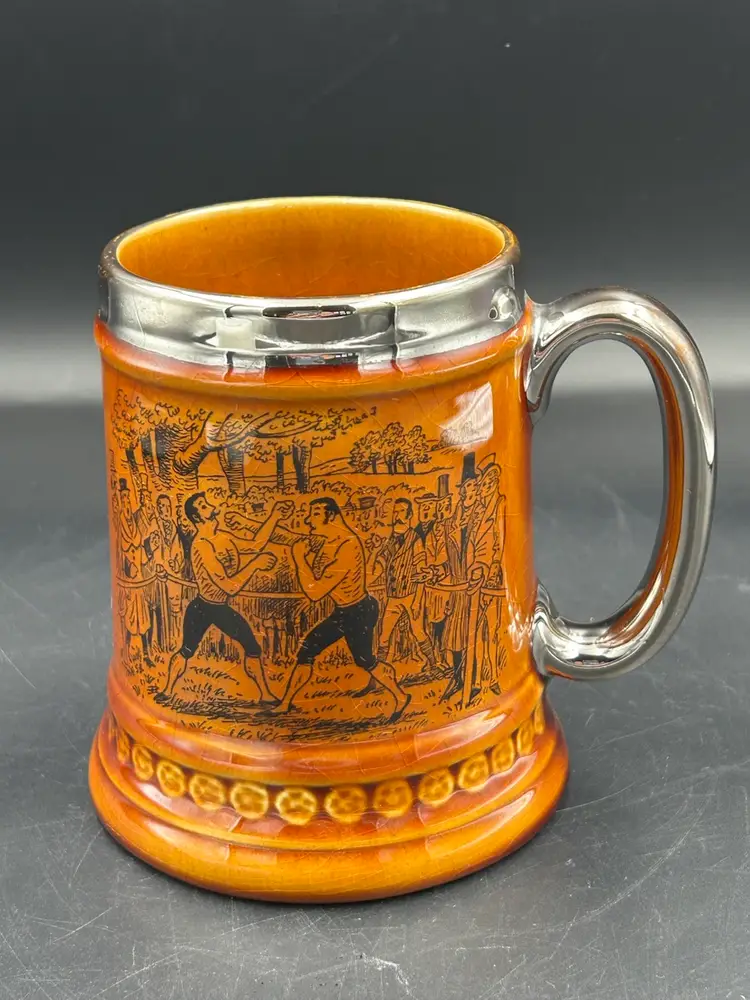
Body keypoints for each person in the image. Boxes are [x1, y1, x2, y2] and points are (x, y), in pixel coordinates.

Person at [273, 497, 410, 719]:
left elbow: (315, 592)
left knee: (365, 661)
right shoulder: (329, 539)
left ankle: (400, 696)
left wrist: (299, 559)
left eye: (315, 514)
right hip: (343, 611)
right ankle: (285, 703)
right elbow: (290, 537)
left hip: (358, 612)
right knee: (307, 650)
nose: (308, 520)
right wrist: (254, 522)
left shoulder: (347, 546)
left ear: (332, 516)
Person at [156, 493, 288, 704]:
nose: (209, 505)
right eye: (203, 505)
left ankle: (265, 695)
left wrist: (274, 517)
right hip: (203, 608)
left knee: (252, 647)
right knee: (187, 650)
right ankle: (167, 691)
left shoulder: (222, 538)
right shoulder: (202, 546)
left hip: (220, 607)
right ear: (197, 517)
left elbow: (255, 544)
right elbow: (228, 586)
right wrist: (255, 565)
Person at [373, 498, 439, 674]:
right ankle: (379, 673)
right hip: (394, 596)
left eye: (401, 512)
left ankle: (433, 664)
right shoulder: (391, 540)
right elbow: (380, 563)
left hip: (411, 594)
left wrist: (417, 601)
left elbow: (421, 573)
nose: (397, 516)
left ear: (409, 515)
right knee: (384, 635)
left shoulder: (415, 540)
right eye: (395, 512)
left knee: (418, 632)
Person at [118, 478, 156, 668]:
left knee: (144, 620)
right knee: (128, 619)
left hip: (139, 580)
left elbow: (140, 544)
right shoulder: (121, 523)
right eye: (123, 499)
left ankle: (146, 654)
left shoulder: (133, 522)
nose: (126, 502)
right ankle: (126, 652)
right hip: (129, 582)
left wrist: (149, 555)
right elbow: (123, 550)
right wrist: (129, 567)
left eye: (128, 498)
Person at [151, 494, 186, 651]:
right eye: (161, 506)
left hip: (174, 574)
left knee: (176, 607)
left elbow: (179, 549)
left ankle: (177, 639)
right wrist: (158, 564)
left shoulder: (174, 526)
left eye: (166, 506)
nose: (164, 510)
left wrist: (177, 563)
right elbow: (152, 547)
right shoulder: (155, 525)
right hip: (160, 575)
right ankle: (163, 642)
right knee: (161, 608)